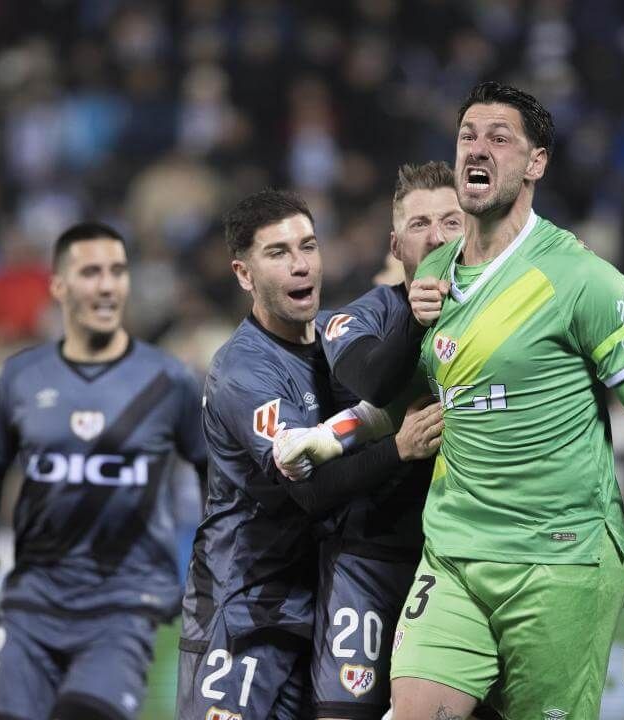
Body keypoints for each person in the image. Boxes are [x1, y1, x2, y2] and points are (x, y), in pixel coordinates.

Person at [385, 80, 624, 720]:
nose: (478, 149)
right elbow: (415, 397)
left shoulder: (583, 278)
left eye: (499, 138)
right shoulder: (433, 275)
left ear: (536, 163)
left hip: (559, 560)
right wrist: (329, 437)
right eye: (467, 137)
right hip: (452, 553)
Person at [176, 189, 443, 720]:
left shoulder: (335, 345)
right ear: (244, 273)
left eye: (308, 246)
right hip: (245, 608)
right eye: (277, 253)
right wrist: (400, 449)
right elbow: (309, 492)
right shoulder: (245, 371)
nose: (301, 266)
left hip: (319, 600)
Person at [0, 221, 208, 720]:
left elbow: (214, 473)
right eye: (91, 271)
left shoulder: (168, 381)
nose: (106, 285)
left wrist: (211, 565)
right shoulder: (20, 376)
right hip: (33, 602)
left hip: (123, 607)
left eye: (117, 271)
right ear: (58, 286)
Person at [273, 161, 468, 720]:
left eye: (451, 222)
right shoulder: (355, 319)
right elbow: (376, 382)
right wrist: (416, 313)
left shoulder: (507, 312)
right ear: (395, 243)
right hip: (372, 559)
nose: (435, 236)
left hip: (467, 559)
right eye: (419, 224)